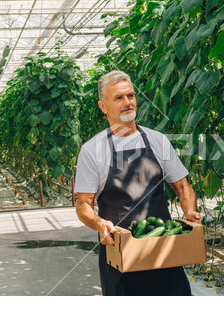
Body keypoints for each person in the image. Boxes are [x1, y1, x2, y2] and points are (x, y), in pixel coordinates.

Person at [74, 70, 200, 296]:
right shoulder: (92, 150)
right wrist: (100, 224)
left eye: (130, 96)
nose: (127, 103)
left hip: (164, 250)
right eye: (119, 98)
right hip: (120, 254)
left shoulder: (157, 140)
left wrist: (189, 211)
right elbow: (83, 204)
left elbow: (182, 186)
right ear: (104, 107)